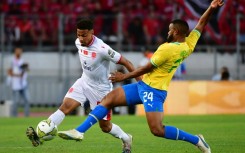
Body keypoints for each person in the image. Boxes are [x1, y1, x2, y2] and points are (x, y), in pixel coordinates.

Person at [58, 1, 224, 153]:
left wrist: (125, 77)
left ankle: (197, 140)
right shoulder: (188, 44)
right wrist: (212, 7)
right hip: (143, 86)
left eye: (169, 29)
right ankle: (79, 131)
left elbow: (147, 67)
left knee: (157, 130)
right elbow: (201, 24)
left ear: (175, 32)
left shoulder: (167, 49)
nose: (167, 32)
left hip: (154, 90)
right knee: (107, 100)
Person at [26, 18, 141, 153]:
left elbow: (126, 62)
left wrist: (141, 83)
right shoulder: (78, 42)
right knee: (65, 107)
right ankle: (41, 135)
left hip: (101, 90)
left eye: (84, 35)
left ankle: (126, 138)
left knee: (105, 127)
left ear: (92, 32)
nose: (80, 38)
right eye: (78, 34)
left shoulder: (102, 49)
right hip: (84, 82)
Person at [7, 47, 30, 117]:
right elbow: (9, 72)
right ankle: (14, 116)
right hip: (16, 84)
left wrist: (26, 67)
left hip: (23, 84)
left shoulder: (22, 61)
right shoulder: (12, 61)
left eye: (20, 51)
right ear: (15, 52)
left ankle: (26, 116)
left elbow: (27, 71)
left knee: (27, 100)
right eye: (18, 51)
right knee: (15, 102)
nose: (19, 53)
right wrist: (18, 75)